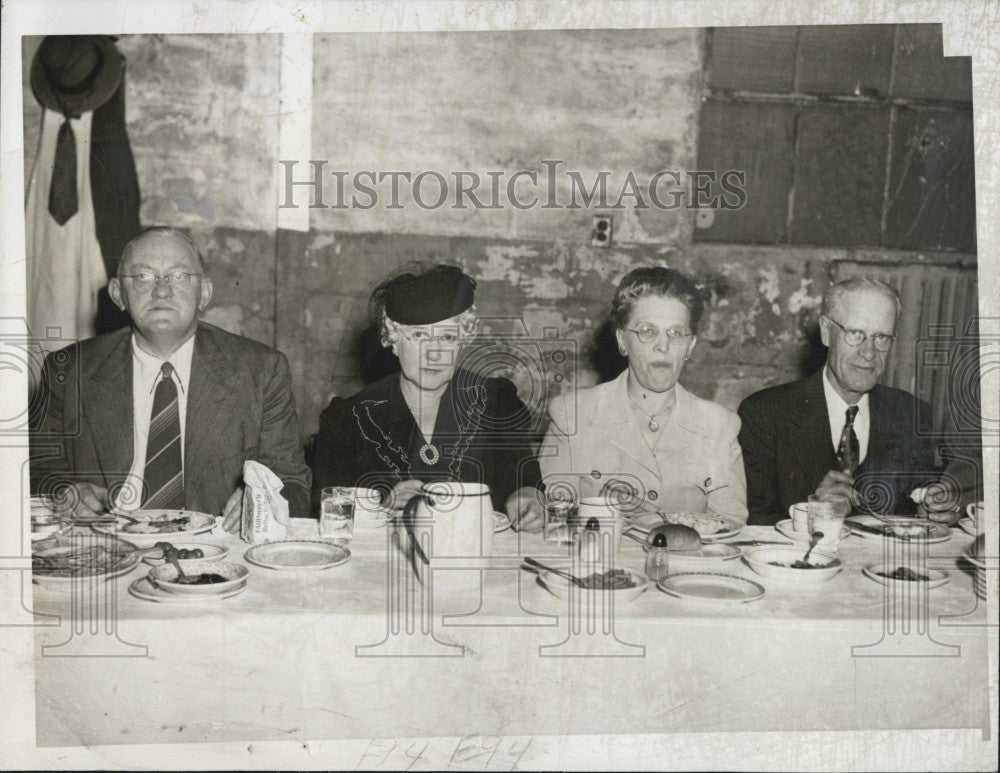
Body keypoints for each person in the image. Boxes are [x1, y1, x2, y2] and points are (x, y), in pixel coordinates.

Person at [30, 227, 311, 524]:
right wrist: (65, 493)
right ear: (117, 294)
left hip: (217, 552)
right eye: (142, 277)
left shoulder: (261, 370)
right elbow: (34, 472)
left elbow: (293, 483)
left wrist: (262, 498)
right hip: (109, 548)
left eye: (178, 277)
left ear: (204, 293)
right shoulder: (69, 371)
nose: (161, 291)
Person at [312, 264, 544, 527]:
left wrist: (528, 498)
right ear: (393, 340)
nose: (434, 354)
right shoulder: (348, 419)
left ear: (462, 340)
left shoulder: (496, 403)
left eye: (447, 337)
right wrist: (381, 506)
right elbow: (327, 507)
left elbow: (525, 482)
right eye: (419, 335)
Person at [540, 267, 748, 522]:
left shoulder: (720, 426)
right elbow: (556, 523)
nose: (663, 345)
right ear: (622, 341)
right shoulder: (571, 416)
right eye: (648, 331)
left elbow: (730, 530)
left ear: (690, 344)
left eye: (676, 332)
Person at [737, 277, 942, 525]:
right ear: (826, 332)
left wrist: (934, 512)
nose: (868, 353)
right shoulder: (764, 414)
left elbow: (920, 514)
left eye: (881, 337)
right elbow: (753, 526)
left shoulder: (912, 414)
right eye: (855, 334)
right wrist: (809, 514)